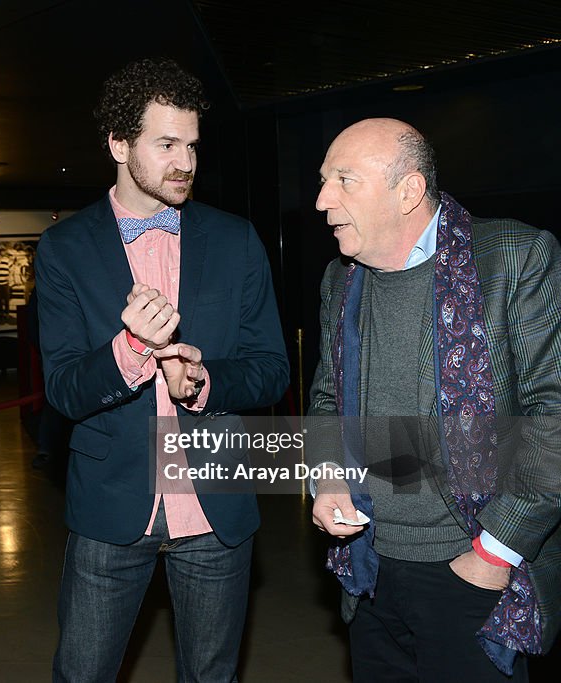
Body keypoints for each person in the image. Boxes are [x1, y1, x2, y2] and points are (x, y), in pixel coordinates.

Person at [35, 57, 289, 682]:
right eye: (167, 144)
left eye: (193, 145)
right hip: (111, 510)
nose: (186, 162)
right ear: (119, 145)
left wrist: (207, 382)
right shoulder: (65, 249)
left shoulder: (236, 241)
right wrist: (131, 349)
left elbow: (273, 369)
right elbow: (65, 389)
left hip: (215, 511)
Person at [307, 117, 561, 681]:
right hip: (369, 568)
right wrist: (326, 477)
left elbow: (552, 417)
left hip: (471, 567)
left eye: (344, 180)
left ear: (409, 191)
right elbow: (327, 398)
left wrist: (494, 555)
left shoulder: (514, 258)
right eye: (324, 180)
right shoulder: (339, 281)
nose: (323, 200)